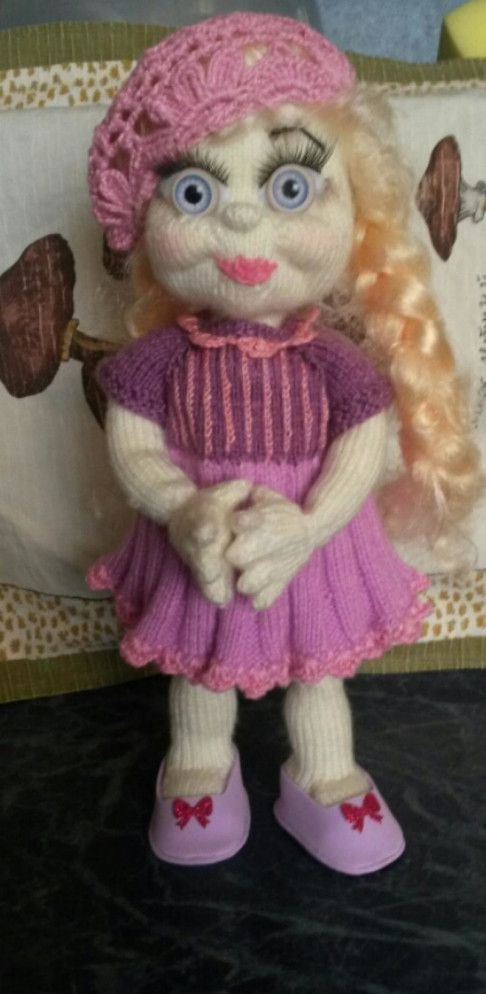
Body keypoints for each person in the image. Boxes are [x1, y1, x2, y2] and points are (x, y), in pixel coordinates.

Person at [87, 12, 481, 872]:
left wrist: (309, 525)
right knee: (200, 669)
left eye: (291, 188)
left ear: (357, 206)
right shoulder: (158, 360)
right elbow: (136, 446)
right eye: (195, 194)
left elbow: (359, 446)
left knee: (318, 671)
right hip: (202, 550)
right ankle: (200, 764)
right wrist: (179, 507)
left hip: (312, 553)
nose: (241, 219)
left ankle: (325, 774)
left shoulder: (334, 363)